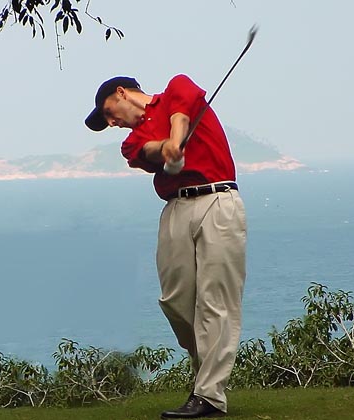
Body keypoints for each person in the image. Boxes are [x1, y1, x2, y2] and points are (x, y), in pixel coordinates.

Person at [84, 75, 247, 419]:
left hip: (218, 199)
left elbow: (181, 115)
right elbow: (148, 150)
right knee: (176, 300)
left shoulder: (177, 87)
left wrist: (176, 139)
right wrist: (168, 149)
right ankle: (206, 376)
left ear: (121, 92)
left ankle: (209, 397)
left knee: (216, 300)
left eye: (108, 113)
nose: (111, 123)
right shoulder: (130, 142)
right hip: (176, 208)